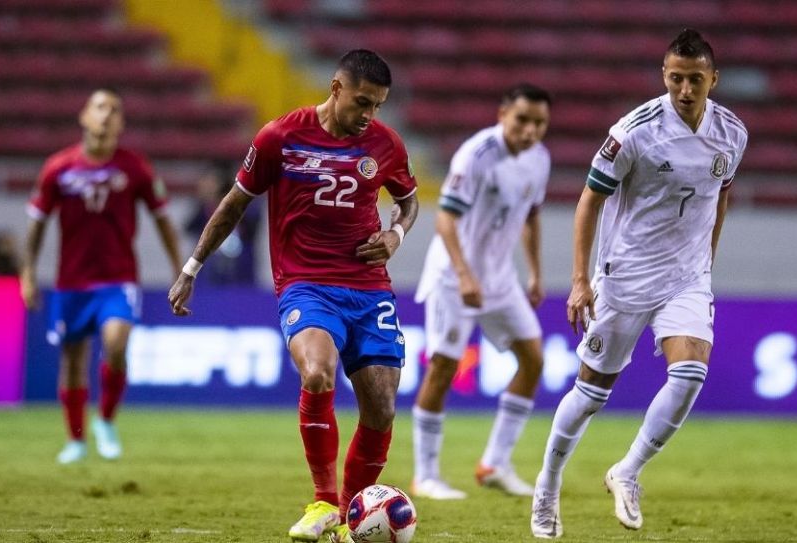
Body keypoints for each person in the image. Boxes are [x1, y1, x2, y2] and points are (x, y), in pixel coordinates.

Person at [168, 49, 418, 543]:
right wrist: (192, 267)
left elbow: (408, 202)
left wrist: (395, 236)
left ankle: (351, 519)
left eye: (378, 106)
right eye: (362, 102)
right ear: (336, 88)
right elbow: (233, 204)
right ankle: (324, 502)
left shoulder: (386, 144)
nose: (368, 115)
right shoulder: (279, 136)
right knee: (318, 372)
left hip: (369, 289)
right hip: (306, 283)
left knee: (382, 408)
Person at [530, 29, 748, 538]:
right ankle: (547, 485)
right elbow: (589, 200)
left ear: (713, 79)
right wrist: (580, 280)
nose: (685, 89)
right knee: (591, 392)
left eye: (696, 79)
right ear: (664, 77)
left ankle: (627, 471)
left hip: (687, 276)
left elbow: (720, 196)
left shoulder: (733, 132)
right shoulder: (633, 132)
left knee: (691, 371)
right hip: (626, 275)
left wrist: (706, 264)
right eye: (676, 78)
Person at [20, 88, 183, 465]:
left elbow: (163, 222)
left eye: (115, 109)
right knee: (73, 360)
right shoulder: (59, 167)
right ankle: (75, 440)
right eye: (100, 107)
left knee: (115, 343)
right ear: (84, 117)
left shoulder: (135, 167)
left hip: (118, 278)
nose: (107, 114)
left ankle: (106, 420)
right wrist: (27, 273)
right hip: (71, 281)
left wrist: (180, 268)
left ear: (122, 123)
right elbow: (37, 226)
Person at [410, 84, 552, 500]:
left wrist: (536, 274)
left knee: (533, 358)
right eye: (522, 120)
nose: (529, 130)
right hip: (455, 277)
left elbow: (532, 217)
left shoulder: (539, 159)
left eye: (539, 123)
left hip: (500, 277)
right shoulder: (477, 156)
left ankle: (495, 462)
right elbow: (445, 220)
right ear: (503, 113)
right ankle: (426, 474)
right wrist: (464, 274)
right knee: (443, 368)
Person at [183, 164, 262, 285]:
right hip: (208, 276)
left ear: (220, 183)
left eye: (210, 182)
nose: (204, 186)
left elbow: (253, 227)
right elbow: (188, 228)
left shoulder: (244, 207)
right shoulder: (202, 210)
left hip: (241, 276)